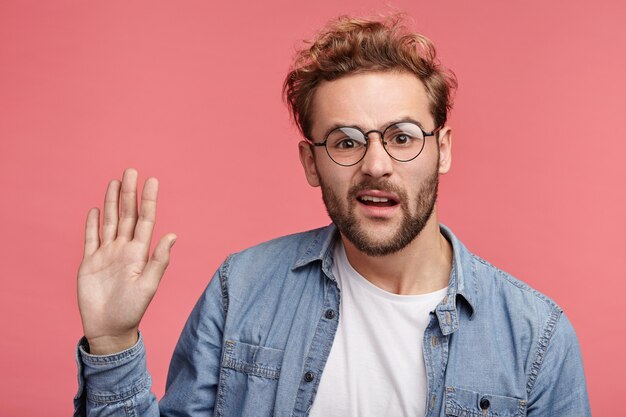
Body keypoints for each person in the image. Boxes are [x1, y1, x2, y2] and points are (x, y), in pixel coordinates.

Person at [73, 14, 591, 417]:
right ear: (311, 163)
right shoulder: (242, 289)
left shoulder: (536, 338)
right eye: (345, 142)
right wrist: (113, 343)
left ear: (444, 149)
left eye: (402, 137)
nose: (376, 166)